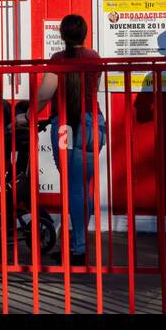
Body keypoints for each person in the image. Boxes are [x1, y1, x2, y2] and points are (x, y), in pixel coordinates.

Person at [36, 14, 107, 264]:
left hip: (67, 125)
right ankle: (78, 243)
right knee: (82, 188)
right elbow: (93, 86)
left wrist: (28, 113)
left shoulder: (58, 59)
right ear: (85, 33)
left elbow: (46, 93)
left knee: (74, 188)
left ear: (63, 35)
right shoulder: (95, 57)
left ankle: (78, 249)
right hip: (93, 124)